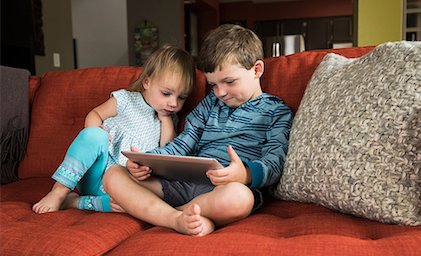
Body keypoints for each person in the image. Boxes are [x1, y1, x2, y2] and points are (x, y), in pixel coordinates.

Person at [102, 24, 293, 236]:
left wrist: (245, 174)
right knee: (113, 175)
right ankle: (177, 219)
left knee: (240, 198)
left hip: (224, 190)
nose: (220, 92)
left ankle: (165, 214)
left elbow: (276, 160)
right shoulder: (210, 104)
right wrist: (147, 161)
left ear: (257, 70)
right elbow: (184, 142)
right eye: (213, 85)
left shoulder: (276, 110)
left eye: (229, 81)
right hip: (182, 183)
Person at [32, 45, 195, 214]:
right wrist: (97, 130)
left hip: (120, 185)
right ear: (147, 82)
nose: (174, 103)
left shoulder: (167, 120)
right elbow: (94, 114)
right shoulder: (126, 100)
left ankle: (76, 202)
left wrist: (166, 120)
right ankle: (59, 191)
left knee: (133, 204)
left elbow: (168, 153)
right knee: (94, 135)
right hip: (95, 170)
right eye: (166, 94)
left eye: (181, 97)